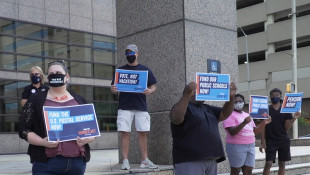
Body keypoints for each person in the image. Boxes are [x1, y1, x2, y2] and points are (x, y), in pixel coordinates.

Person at [19, 60, 95, 175]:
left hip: (77, 164)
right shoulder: (36, 99)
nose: (55, 75)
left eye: (58, 72)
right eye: (51, 73)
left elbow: (92, 130)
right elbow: (23, 129)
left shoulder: (80, 100)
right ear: (48, 78)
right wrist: (42, 142)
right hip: (46, 164)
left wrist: (87, 139)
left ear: (67, 76)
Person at [170, 81, 237, 175]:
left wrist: (231, 97)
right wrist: (186, 94)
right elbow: (176, 118)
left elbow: (224, 114)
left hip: (211, 159)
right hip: (190, 159)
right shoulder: (184, 107)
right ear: (192, 93)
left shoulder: (207, 108)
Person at [111, 44, 158, 170]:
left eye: (131, 53)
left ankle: (145, 160)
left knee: (142, 133)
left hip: (141, 106)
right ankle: (125, 161)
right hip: (125, 106)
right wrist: (113, 89)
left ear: (137, 53)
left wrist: (150, 90)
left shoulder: (145, 70)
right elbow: (113, 88)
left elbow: (154, 86)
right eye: (127, 53)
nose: (129, 55)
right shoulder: (121, 71)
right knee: (125, 133)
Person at [223, 94, 271, 175]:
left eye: (240, 101)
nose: (238, 103)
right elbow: (232, 132)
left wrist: (264, 123)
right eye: (235, 101)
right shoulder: (229, 115)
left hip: (250, 145)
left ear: (244, 102)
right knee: (236, 170)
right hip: (236, 146)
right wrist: (244, 122)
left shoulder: (247, 115)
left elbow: (255, 131)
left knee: (248, 170)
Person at [259, 88, 301, 175]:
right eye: (273, 95)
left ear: (281, 96)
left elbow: (286, 128)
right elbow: (263, 127)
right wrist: (263, 142)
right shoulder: (265, 109)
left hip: (283, 140)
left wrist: (294, 118)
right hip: (270, 140)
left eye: (277, 95)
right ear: (270, 97)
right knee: (268, 163)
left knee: (282, 164)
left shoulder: (285, 109)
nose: (275, 97)